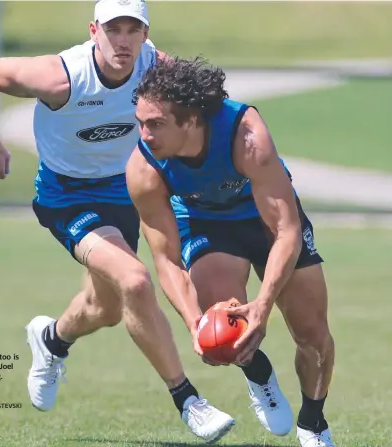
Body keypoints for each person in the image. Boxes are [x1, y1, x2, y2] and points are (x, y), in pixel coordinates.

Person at [0, 1, 235, 442]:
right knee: (134, 280)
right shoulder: (63, 77)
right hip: (67, 196)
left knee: (106, 309)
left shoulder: (154, 65)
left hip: (126, 191)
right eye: (114, 28)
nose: (124, 39)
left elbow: (209, 102)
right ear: (94, 30)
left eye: (135, 29)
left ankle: (52, 340)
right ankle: (188, 399)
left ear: (146, 35)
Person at [126, 56, 336, 447]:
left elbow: (286, 229)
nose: (144, 134)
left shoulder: (247, 137)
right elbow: (166, 259)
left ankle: (313, 421)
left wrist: (264, 304)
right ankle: (258, 374)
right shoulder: (143, 169)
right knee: (223, 331)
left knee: (313, 336)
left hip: (266, 221)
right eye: (139, 122)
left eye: (155, 124)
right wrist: (194, 324)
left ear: (191, 120)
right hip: (206, 224)